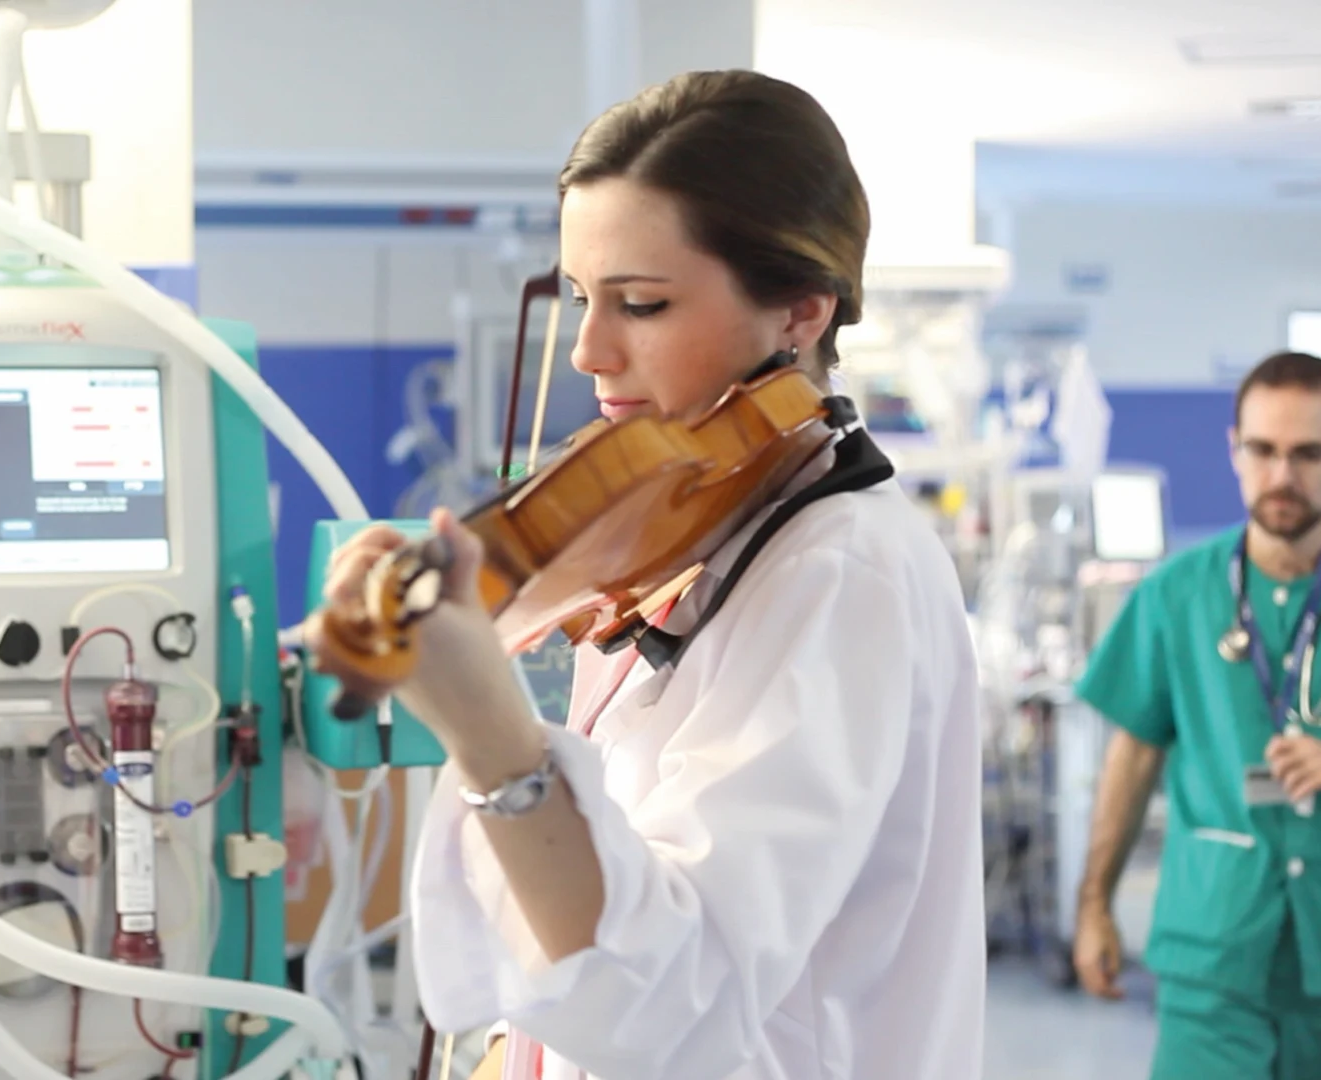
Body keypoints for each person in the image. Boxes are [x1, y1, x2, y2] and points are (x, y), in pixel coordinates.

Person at [306, 70, 985, 1080]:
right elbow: (610, 905)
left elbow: (678, 1001)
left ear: (802, 310)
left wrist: (491, 734)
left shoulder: (839, 570)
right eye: (580, 299)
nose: (586, 350)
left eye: (643, 304)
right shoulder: (693, 529)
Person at [1072, 350, 1321, 1080]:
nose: (1282, 476)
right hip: (1214, 950)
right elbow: (1134, 753)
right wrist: (1094, 903)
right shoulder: (1176, 593)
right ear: (1234, 449)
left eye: (1310, 453)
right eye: (1264, 450)